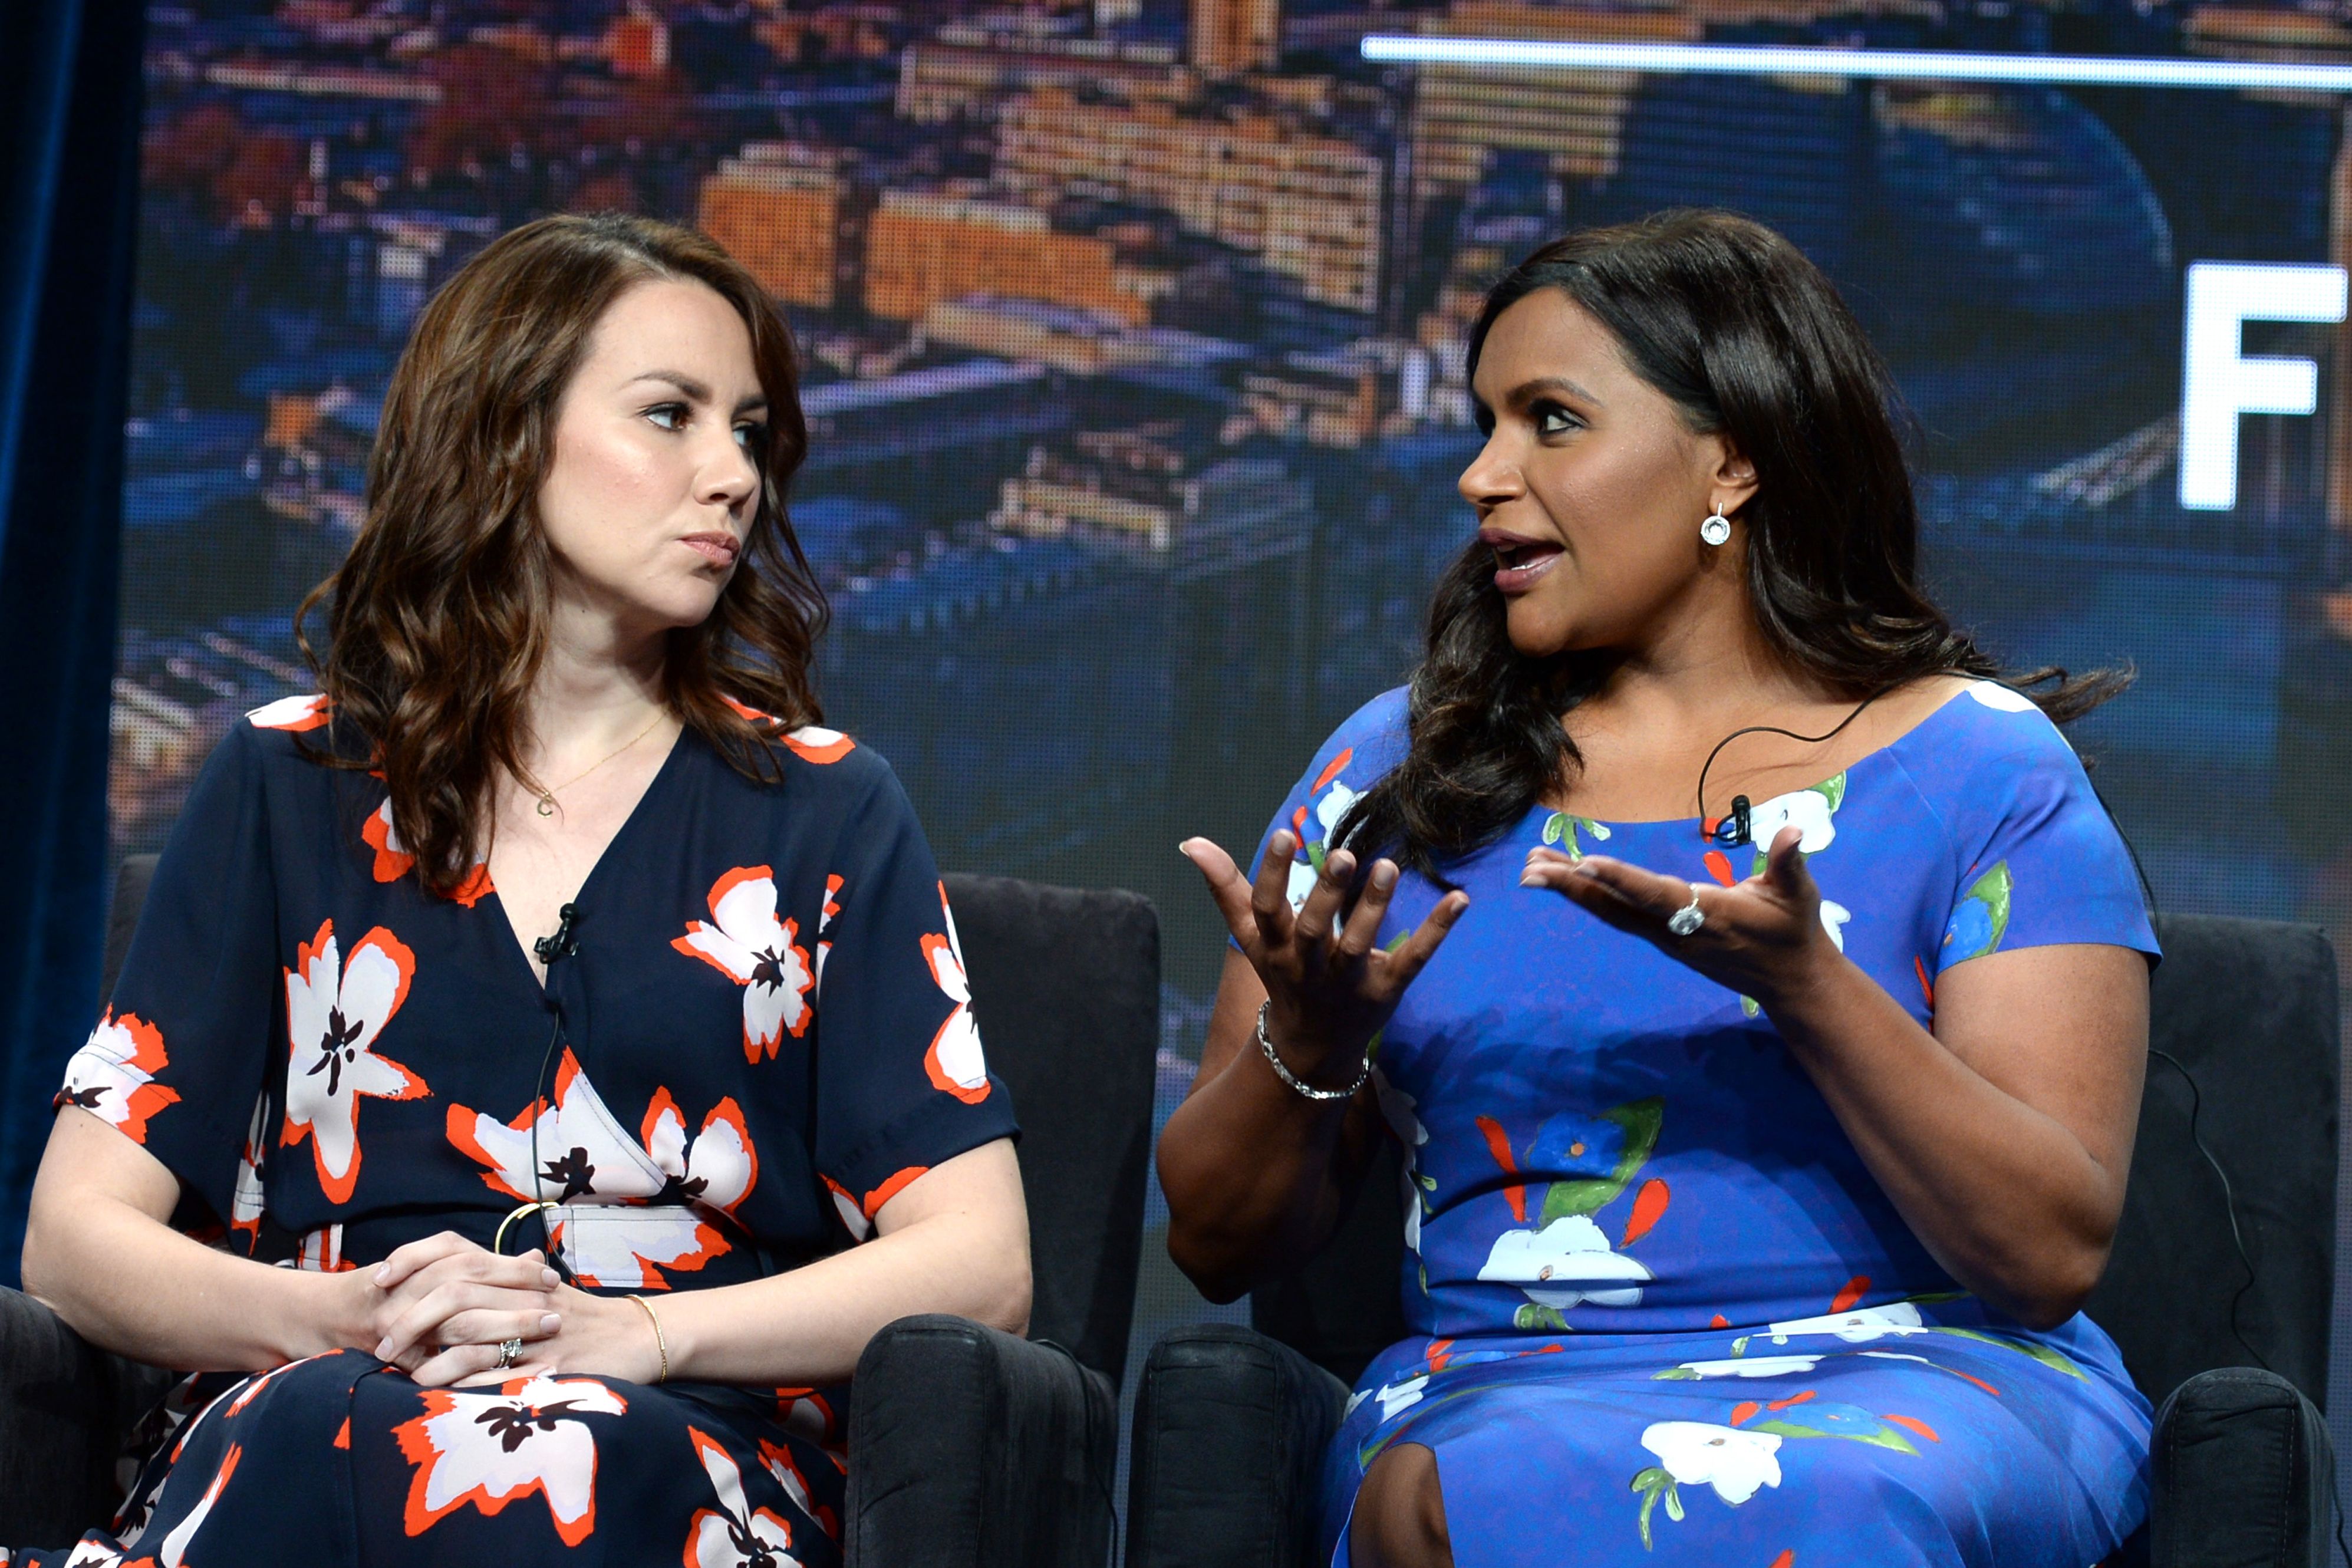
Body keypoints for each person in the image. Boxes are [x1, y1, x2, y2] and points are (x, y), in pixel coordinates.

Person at [19, 212, 1029, 1566]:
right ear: (506, 431)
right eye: (671, 416)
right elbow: (75, 1237)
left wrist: (639, 1333)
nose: (731, 474)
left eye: (749, 432)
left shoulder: (829, 809)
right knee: (331, 1445)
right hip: (327, 1391)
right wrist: (352, 1319)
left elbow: (984, 1262)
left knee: (569, 1460)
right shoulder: (287, 779)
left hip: (674, 1426)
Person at [1160, 209, 2155, 1568]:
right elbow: (1214, 1245)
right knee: (1472, 1487)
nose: (1482, 475)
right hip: (1500, 1385)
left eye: (1550, 420)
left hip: (1930, 1377)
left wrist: (1810, 992)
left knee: (1849, 1499)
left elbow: (2047, 1252)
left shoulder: (1981, 766)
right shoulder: (1398, 773)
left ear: (1730, 459)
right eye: (1486, 421)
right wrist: (1310, 1050)